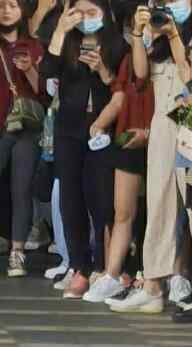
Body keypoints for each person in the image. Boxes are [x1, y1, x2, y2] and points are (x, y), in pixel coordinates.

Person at [108, 0, 192, 314]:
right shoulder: (155, 33)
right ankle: (152, 283)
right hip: (163, 120)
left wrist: (175, 34)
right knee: (159, 199)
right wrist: (138, 33)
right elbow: (140, 75)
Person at [39, 0, 125, 298]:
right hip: (68, 128)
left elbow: (120, 88)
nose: (86, 19)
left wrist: (102, 69)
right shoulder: (67, 40)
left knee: (101, 199)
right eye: (80, 13)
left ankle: (104, 265)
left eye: (92, 13)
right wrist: (61, 30)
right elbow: (46, 72)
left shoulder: (116, 44)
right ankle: (78, 266)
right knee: (70, 198)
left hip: (102, 128)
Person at [81, 2, 154, 303]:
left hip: (158, 140)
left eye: (144, 24)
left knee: (160, 216)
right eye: (134, 26)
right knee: (122, 211)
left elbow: (143, 76)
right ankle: (111, 274)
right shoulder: (126, 58)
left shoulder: (169, 56)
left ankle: (155, 280)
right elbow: (120, 95)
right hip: (128, 140)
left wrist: (150, 134)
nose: (138, 30)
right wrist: (99, 123)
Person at [0, 0, 45, 278]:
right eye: (1, 5)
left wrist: (29, 68)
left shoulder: (36, 46)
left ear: (23, 11)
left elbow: (46, 92)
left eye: (13, 5)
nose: (6, 10)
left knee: (22, 190)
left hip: (27, 129)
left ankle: (18, 252)